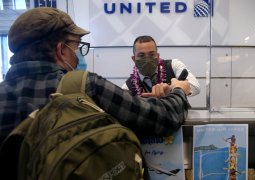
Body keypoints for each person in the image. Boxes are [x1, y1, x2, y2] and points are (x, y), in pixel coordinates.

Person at [0, 7, 191, 144]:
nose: (79, 55)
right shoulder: (85, 87)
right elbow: (162, 118)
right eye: (77, 46)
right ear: (61, 50)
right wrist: (178, 91)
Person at [122, 35, 200, 97]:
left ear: (158, 56)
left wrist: (171, 89)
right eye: (141, 55)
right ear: (134, 59)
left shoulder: (173, 65)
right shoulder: (128, 87)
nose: (147, 59)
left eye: (152, 54)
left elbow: (195, 86)